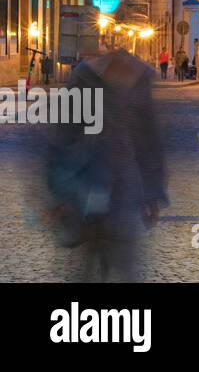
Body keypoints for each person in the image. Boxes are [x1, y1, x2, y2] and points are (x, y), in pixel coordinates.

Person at [45, 37, 168, 281]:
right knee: (88, 260)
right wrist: (59, 192)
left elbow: (148, 138)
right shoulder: (85, 77)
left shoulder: (140, 78)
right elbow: (65, 134)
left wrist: (153, 192)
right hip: (87, 180)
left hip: (125, 185)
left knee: (124, 262)